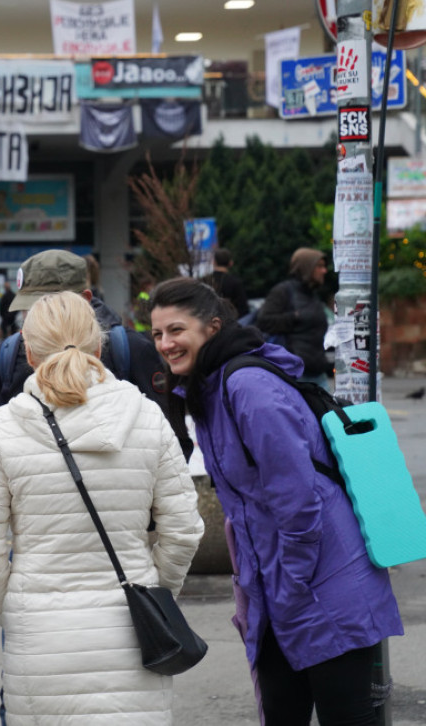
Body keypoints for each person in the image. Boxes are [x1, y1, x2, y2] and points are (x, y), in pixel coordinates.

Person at [149, 278, 403, 726]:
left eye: (176, 330)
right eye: (157, 334)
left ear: (212, 327)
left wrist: (292, 579)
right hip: (279, 589)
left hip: (324, 582)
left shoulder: (247, 387)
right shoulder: (211, 387)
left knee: (347, 717)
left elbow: (298, 499)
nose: (165, 344)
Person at [0, 291, 204, 724]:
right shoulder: (147, 417)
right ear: (98, 346)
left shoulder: (0, 429)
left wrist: (11, 608)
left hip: (39, 639)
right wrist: (155, 593)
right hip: (135, 633)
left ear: (29, 353)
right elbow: (183, 530)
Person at [0, 249, 189, 611]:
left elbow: (175, 450)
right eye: (29, 307)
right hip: (129, 587)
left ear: (85, 300)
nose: (35, 319)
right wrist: (157, 595)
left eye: (46, 305)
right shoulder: (6, 358)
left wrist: (8, 607)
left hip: (39, 596)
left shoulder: (130, 350)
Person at [257, 248, 332, 388]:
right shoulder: (283, 291)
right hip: (295, 373)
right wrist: (294, 317)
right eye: (319, 266)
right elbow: (264, 321)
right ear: (306, 267)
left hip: (317, 371)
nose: (324, 271)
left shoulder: (312, 295)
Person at [204, 247, 249, 319]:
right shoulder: (235, 282)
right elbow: (243, 309)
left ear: (214, 262)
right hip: (231, 321)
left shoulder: (205, 281)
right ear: (231, 263)